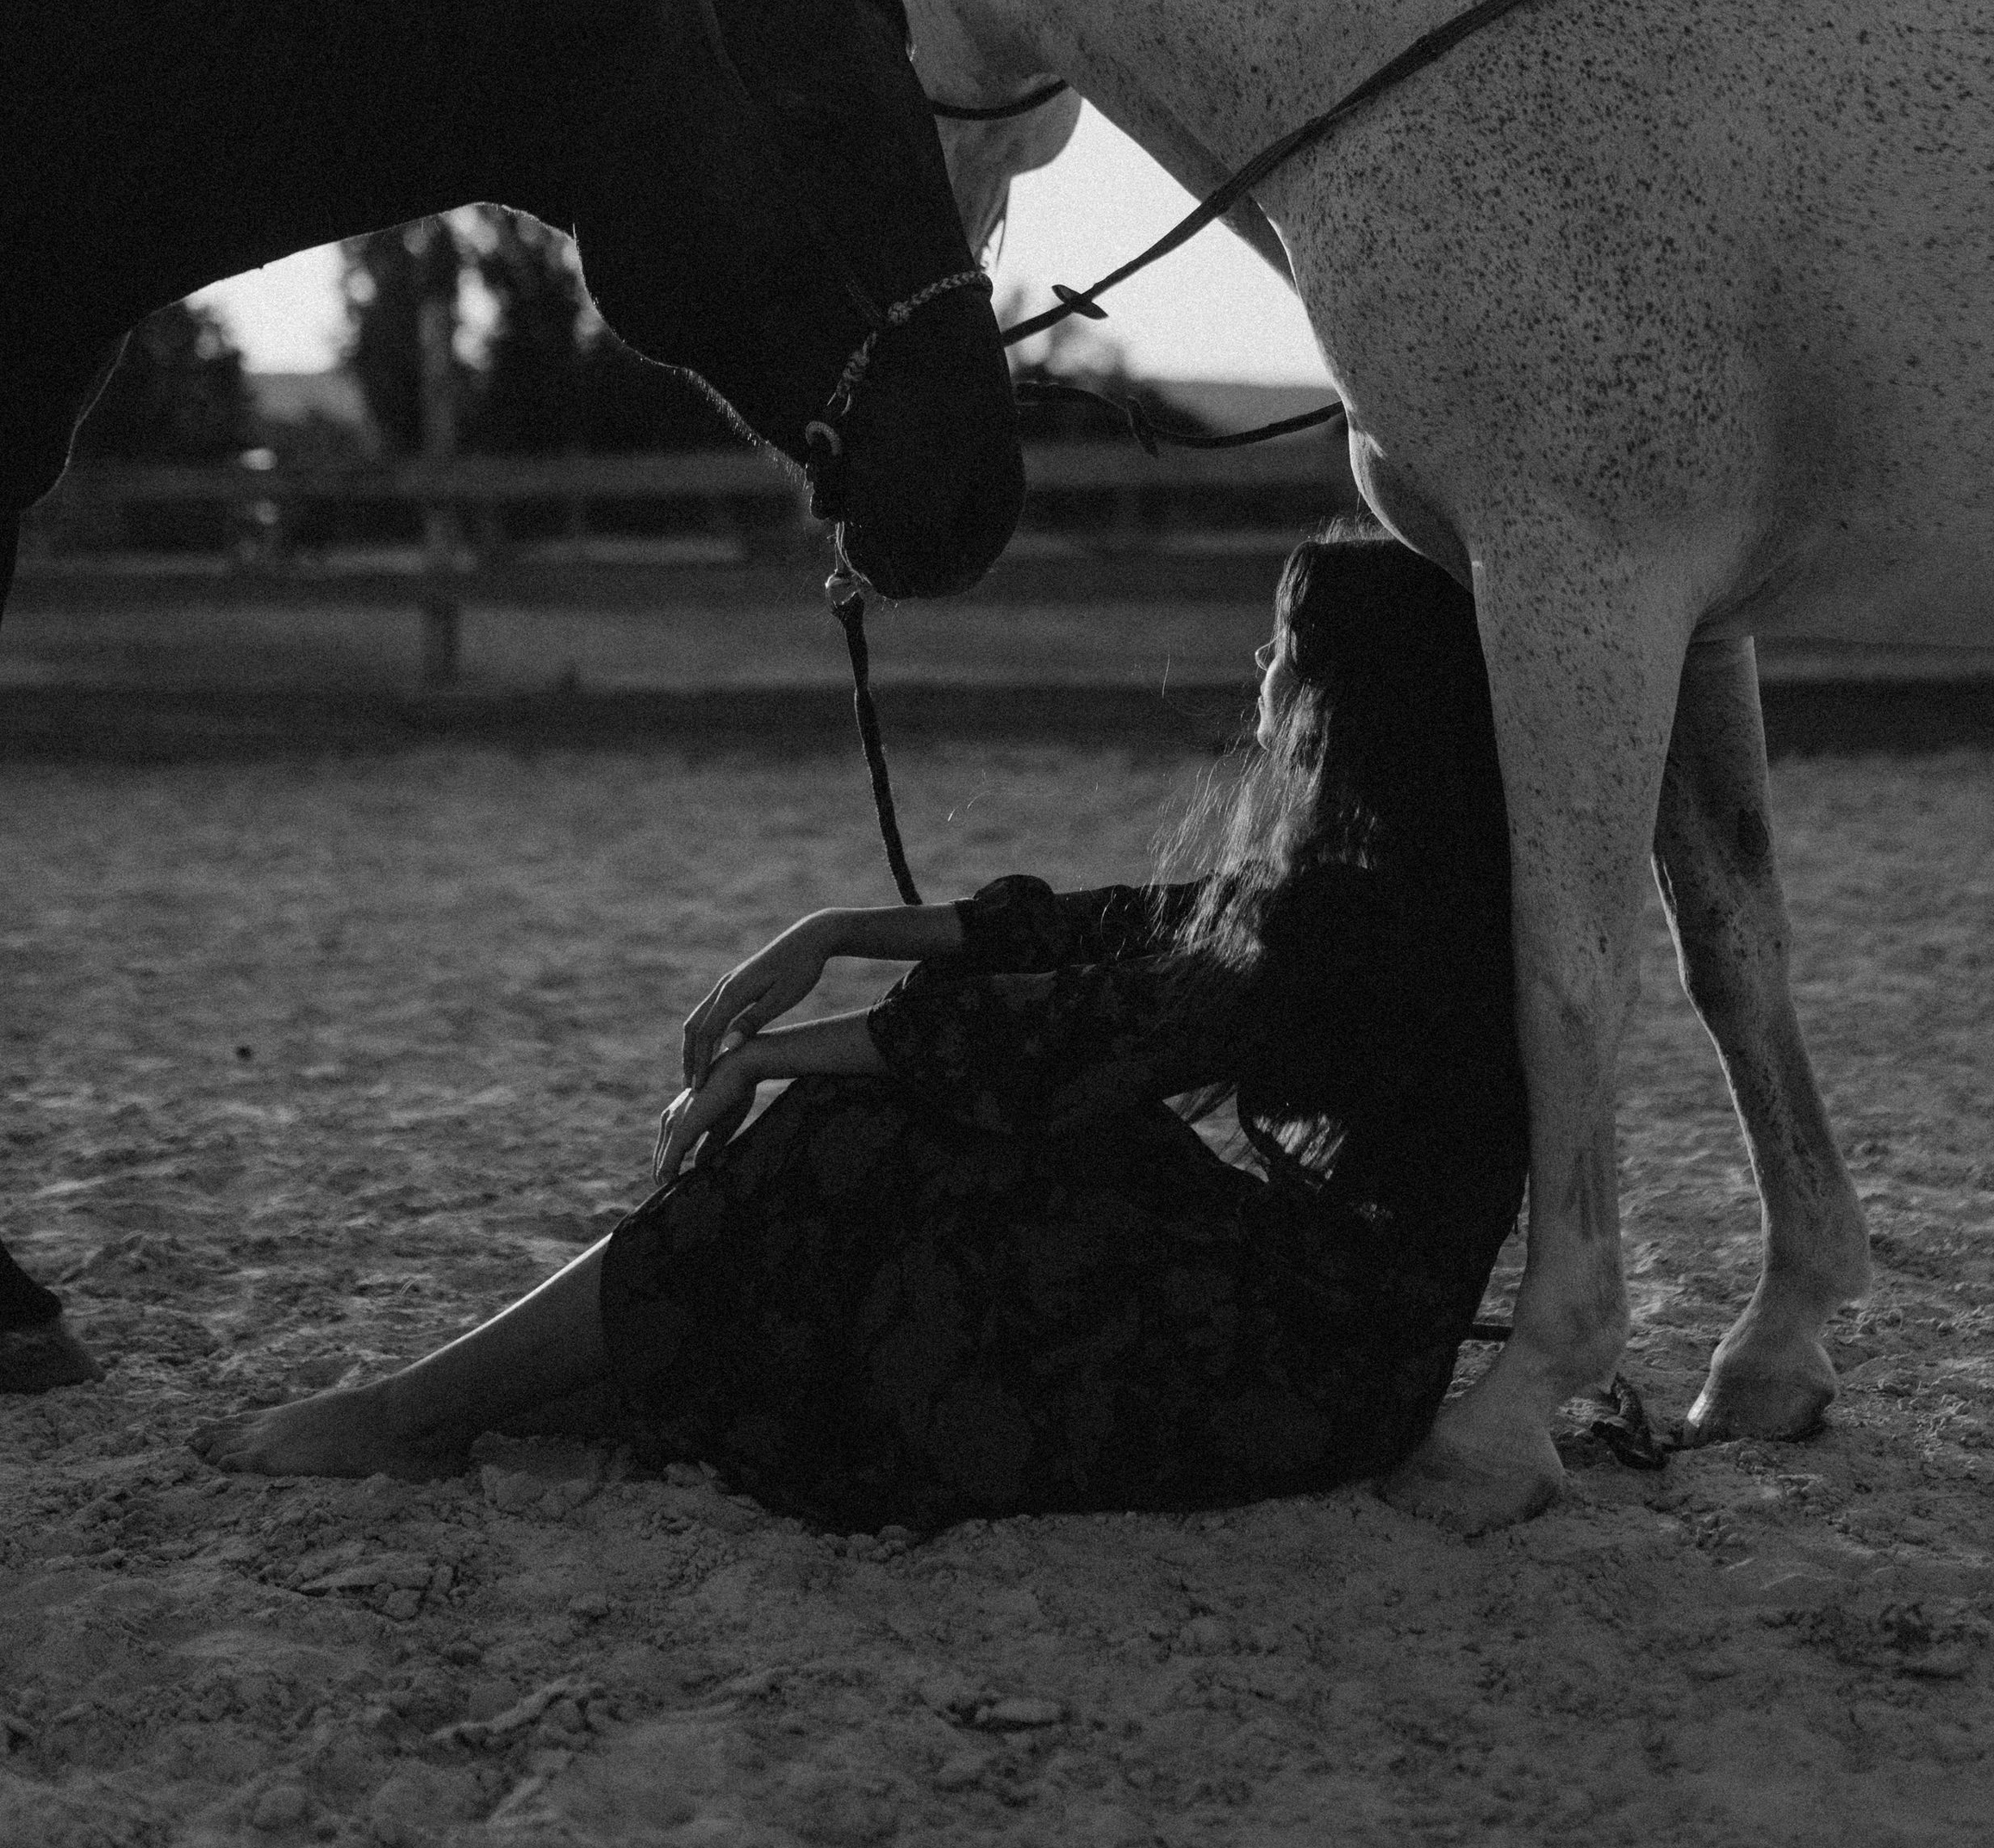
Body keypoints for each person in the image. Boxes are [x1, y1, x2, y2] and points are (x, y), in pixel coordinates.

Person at [207, 529, 1529, 1527]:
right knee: (902, 1142)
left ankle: (409, 1416)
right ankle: (505, 1400)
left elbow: (1080, 1031)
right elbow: (1112, 929)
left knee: (867, 1123)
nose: (1259, 672)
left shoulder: (1360, 920)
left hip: (1298, 1372)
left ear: (1345, 702)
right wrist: (840, 929)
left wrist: (777, 1056)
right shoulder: (1401, 889)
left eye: (1283, 653)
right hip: (1313, 1339)